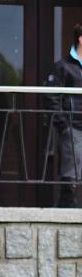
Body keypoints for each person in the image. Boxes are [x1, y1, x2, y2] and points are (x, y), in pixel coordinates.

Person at [47, 23, 82, 208]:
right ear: (81, 39)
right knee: (72, 169)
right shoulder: (63, 67)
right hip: (73, 125)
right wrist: (63, 125)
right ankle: (67, 208)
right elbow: (52, 97)